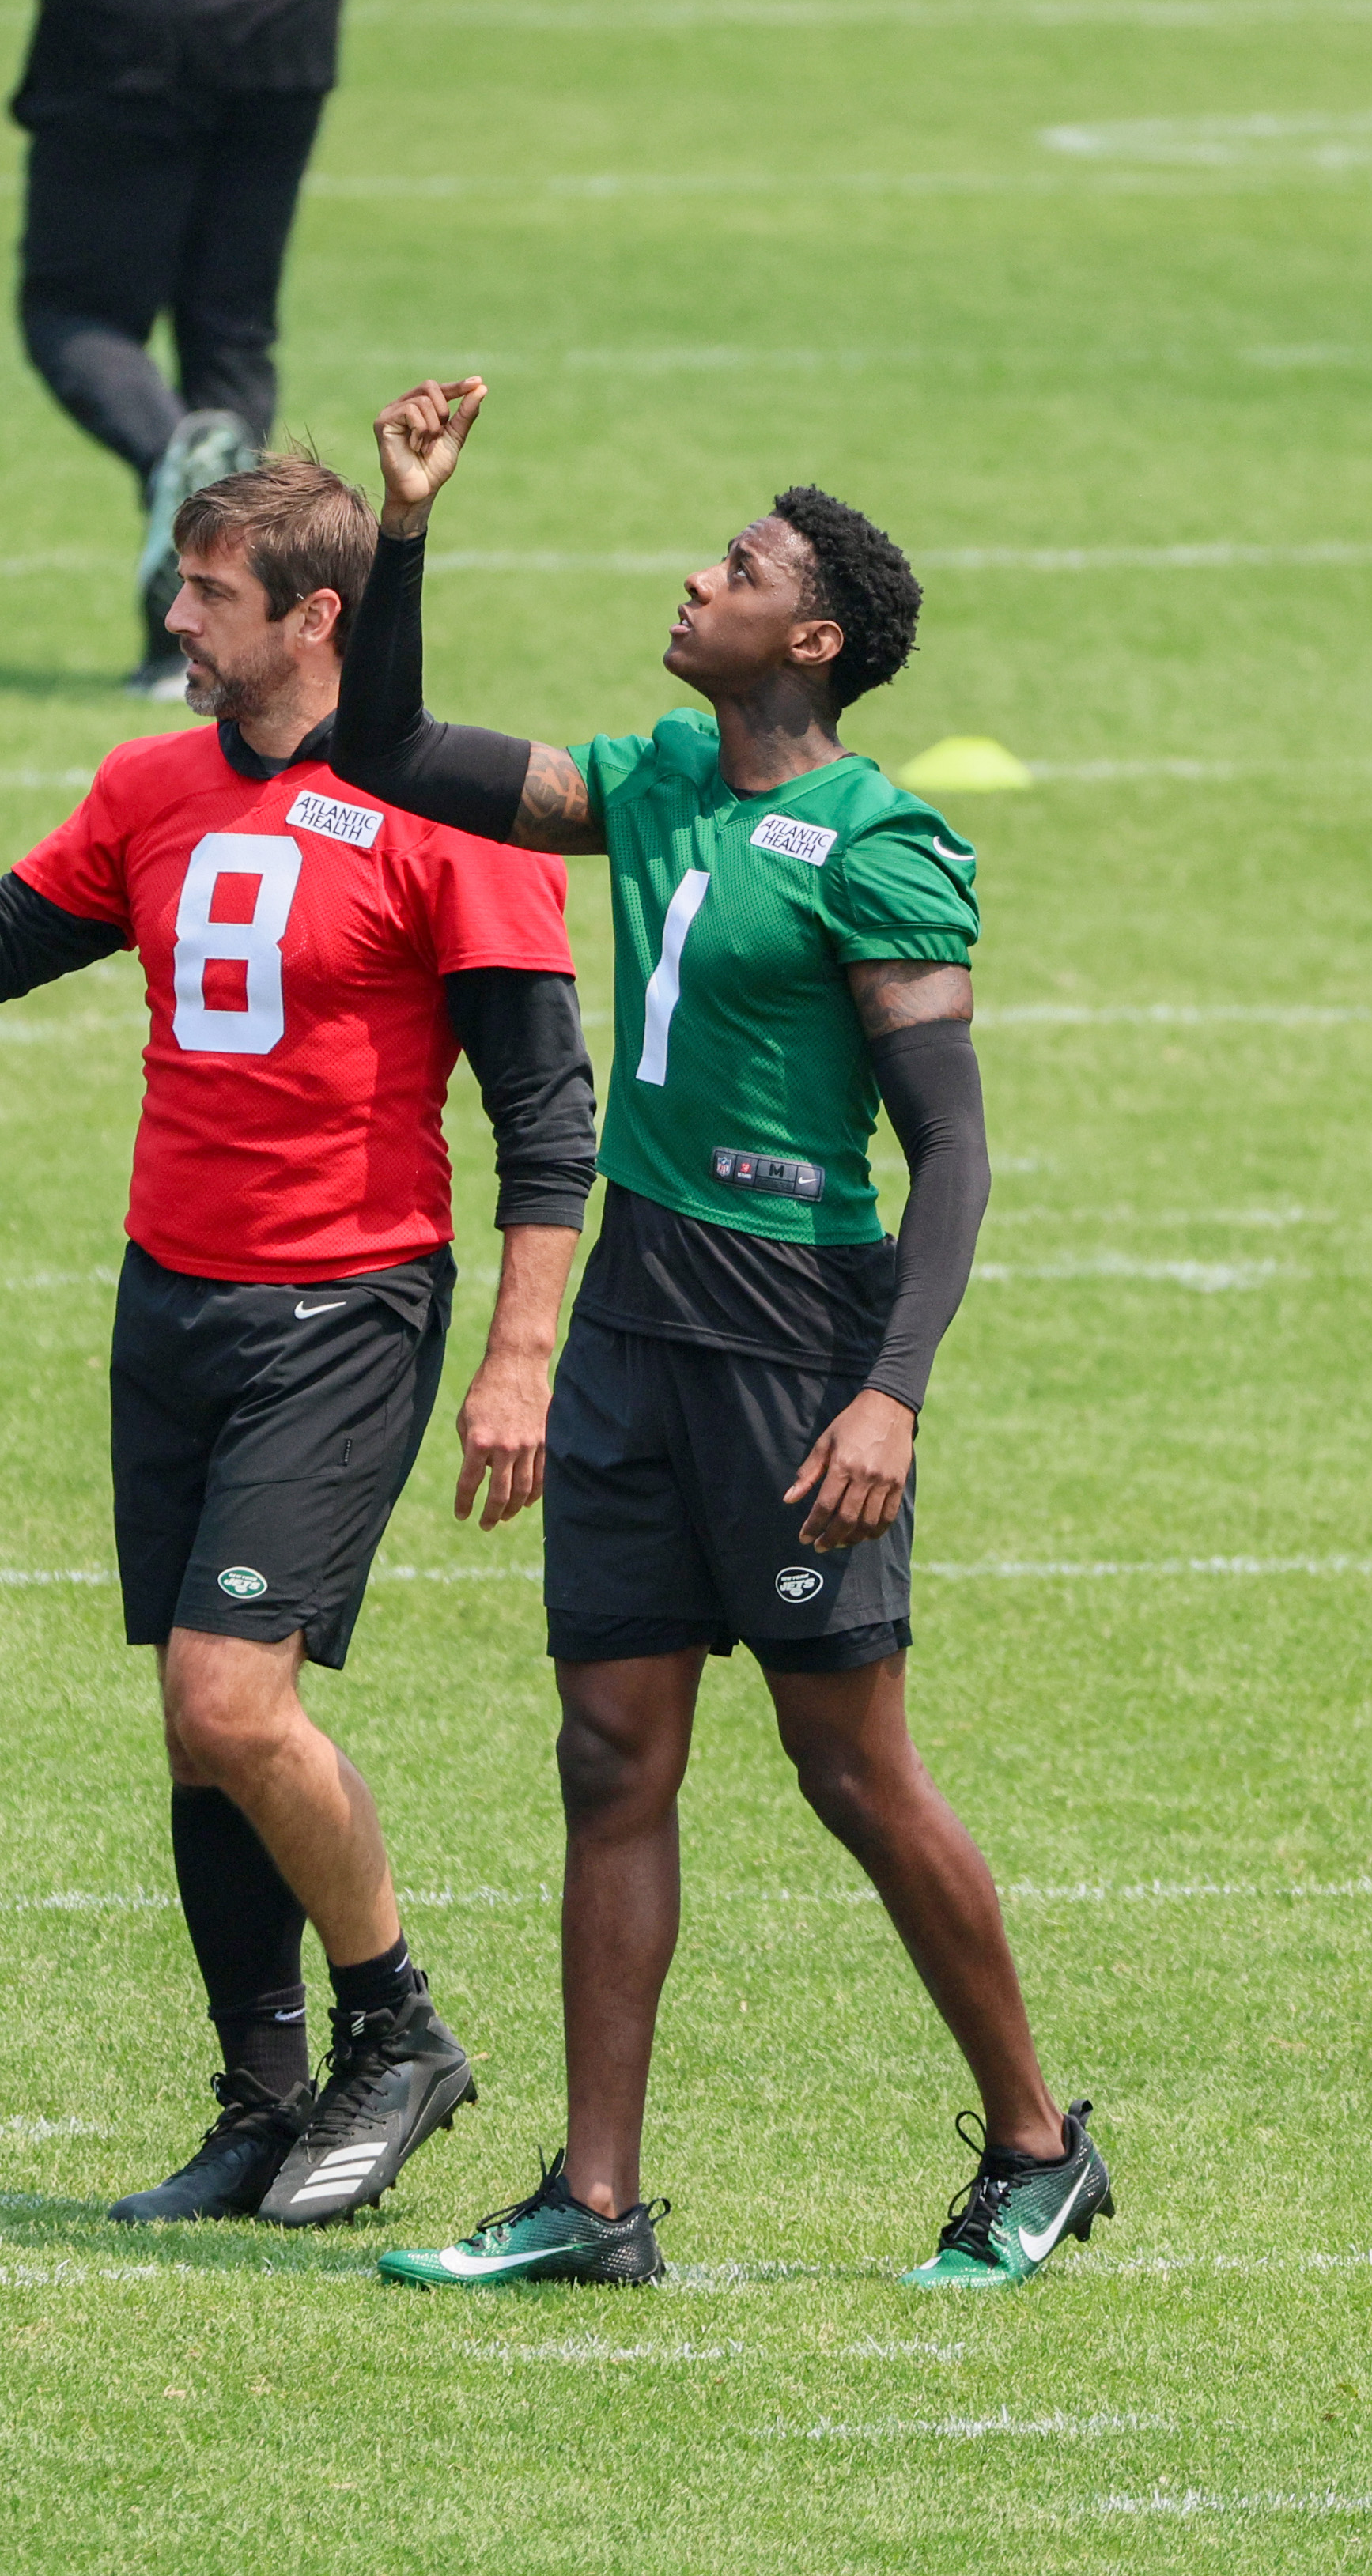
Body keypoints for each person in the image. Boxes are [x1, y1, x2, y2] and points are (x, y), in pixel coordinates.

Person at [314, 380, 1110, 2292]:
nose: (697, 576)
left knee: (850, 1770)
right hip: (636, 1326)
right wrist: (405, 527)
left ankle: (1035, 2141)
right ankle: (593, 2201)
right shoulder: (657, 777)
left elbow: (951, 1154)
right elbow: (395, 750)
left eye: (738, 567)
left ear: (811, 639)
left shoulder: (877, 840)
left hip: (792, 1329)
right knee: (609, 1752)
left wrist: (886, 1395)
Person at [0, 455, 592, 2226]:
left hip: (341, 1308)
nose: (171, 621)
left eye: (205, 595)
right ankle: (261, 2101)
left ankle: (394, 2028)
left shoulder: (452, 812)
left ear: (313, 618)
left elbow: (544, 1121)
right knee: (195, 1730)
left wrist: (517, 1359)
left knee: (225, 1698)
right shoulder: (150, 785)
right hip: (168, 1294)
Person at [0, 0, 452, 685]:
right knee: (231, 330)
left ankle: (175, 462)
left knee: (76, 313)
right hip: (281, 30)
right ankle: (197, 652)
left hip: (113, 20)